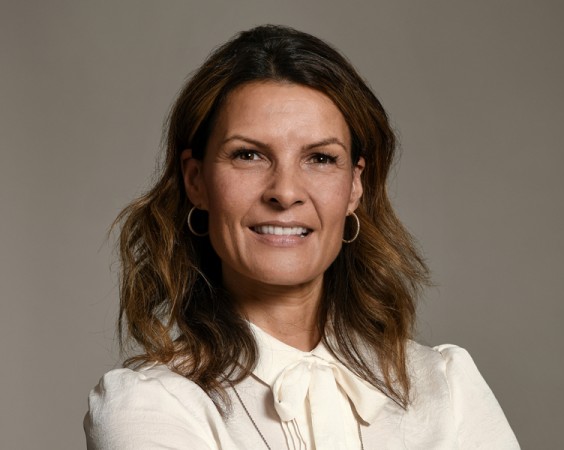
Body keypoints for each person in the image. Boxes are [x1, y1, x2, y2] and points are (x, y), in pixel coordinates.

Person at [84, 25, 519, 449]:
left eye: (321, 158)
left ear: (354, 186)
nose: (286, 192)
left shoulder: (447, 386)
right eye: (248, 155)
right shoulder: (147, 406)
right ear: (196, 180)